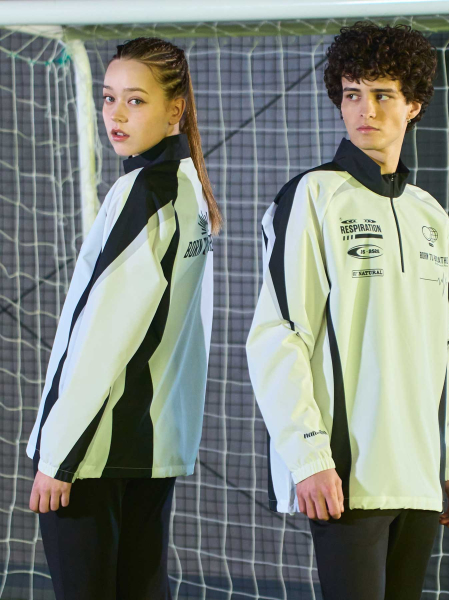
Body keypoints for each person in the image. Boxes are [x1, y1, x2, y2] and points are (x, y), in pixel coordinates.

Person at [246, 22, 449, 600]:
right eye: (352, 94)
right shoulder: (312, 196)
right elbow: (279, 334)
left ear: (413, 104)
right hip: (347, 476)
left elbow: (443, 347)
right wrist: (308, 457)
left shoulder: (429, 213)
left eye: (382, 95)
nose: (364, 110)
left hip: (421, 476)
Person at [27, 37, 222, 600]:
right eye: (109, 97)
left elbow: (105, 337)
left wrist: (59, 456)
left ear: (175, 109)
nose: (115, 114)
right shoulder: (188, 187)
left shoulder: (145, 193)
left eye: (135, 100)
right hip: (151, 447)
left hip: (95, 450)